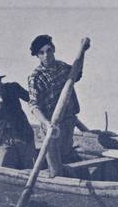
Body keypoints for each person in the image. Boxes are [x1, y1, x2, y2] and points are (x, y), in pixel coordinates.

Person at [27, 34, 91, 177]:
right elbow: (33, 105)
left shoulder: (62, 67)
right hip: (52, 127)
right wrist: (47, 123)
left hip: (68, 122)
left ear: (53, 49)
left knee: (67, 155)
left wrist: (83, 50)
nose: (46, 55)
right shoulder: (35, 77)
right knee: (56, 170)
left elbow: (77, 74)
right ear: (37, 56)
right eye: (41, 53)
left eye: (48, 50)